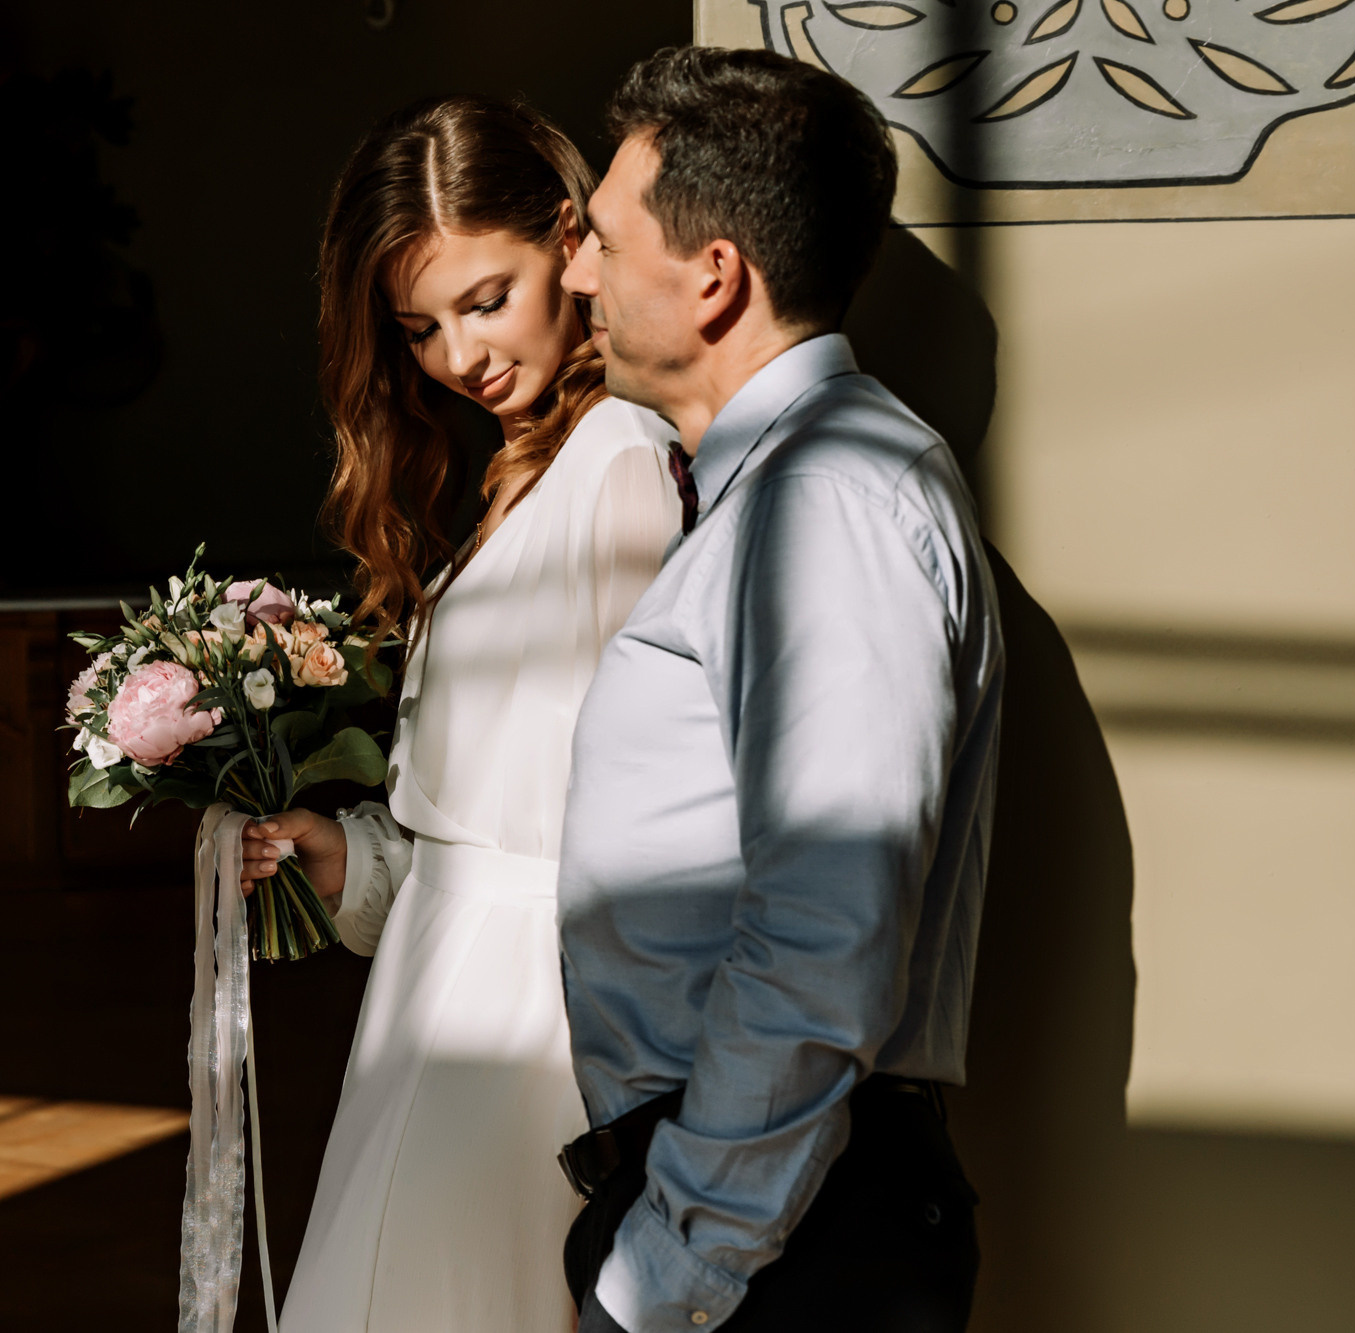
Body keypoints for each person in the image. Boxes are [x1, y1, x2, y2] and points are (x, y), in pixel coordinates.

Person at [555, 47, 1005, 1333]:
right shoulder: (782, 487)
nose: (575, 271)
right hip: (756, 1214)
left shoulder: (827, 502)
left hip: (778, 1244)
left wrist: (666, 1274)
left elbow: (824, 933)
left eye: (599, 238)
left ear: (714, 278)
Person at [237, 96, 680, 1332]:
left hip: (538, 1020)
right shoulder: (519, 471)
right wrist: (349, 859)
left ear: (569, 246)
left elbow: (640, 796)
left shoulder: (624, 462)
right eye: (418, 326)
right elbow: (481, 821)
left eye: (486, 298)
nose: (457, 356)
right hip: (434, 1002)